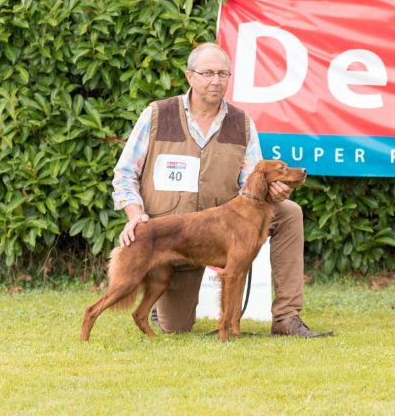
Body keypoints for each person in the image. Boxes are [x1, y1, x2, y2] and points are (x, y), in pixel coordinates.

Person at [112, 42, 329, 337]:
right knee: (175, 328)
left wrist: (274, 192)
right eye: (208, 73)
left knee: (289, 212)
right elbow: (125, 173)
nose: (216, 80)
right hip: (174, 234)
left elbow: (250, 186)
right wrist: (135, 214)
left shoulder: (242, 123)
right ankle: (161, 298)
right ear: (190, 76)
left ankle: (287, 316)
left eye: (223, 74)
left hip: (224, 229)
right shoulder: (157, 115)